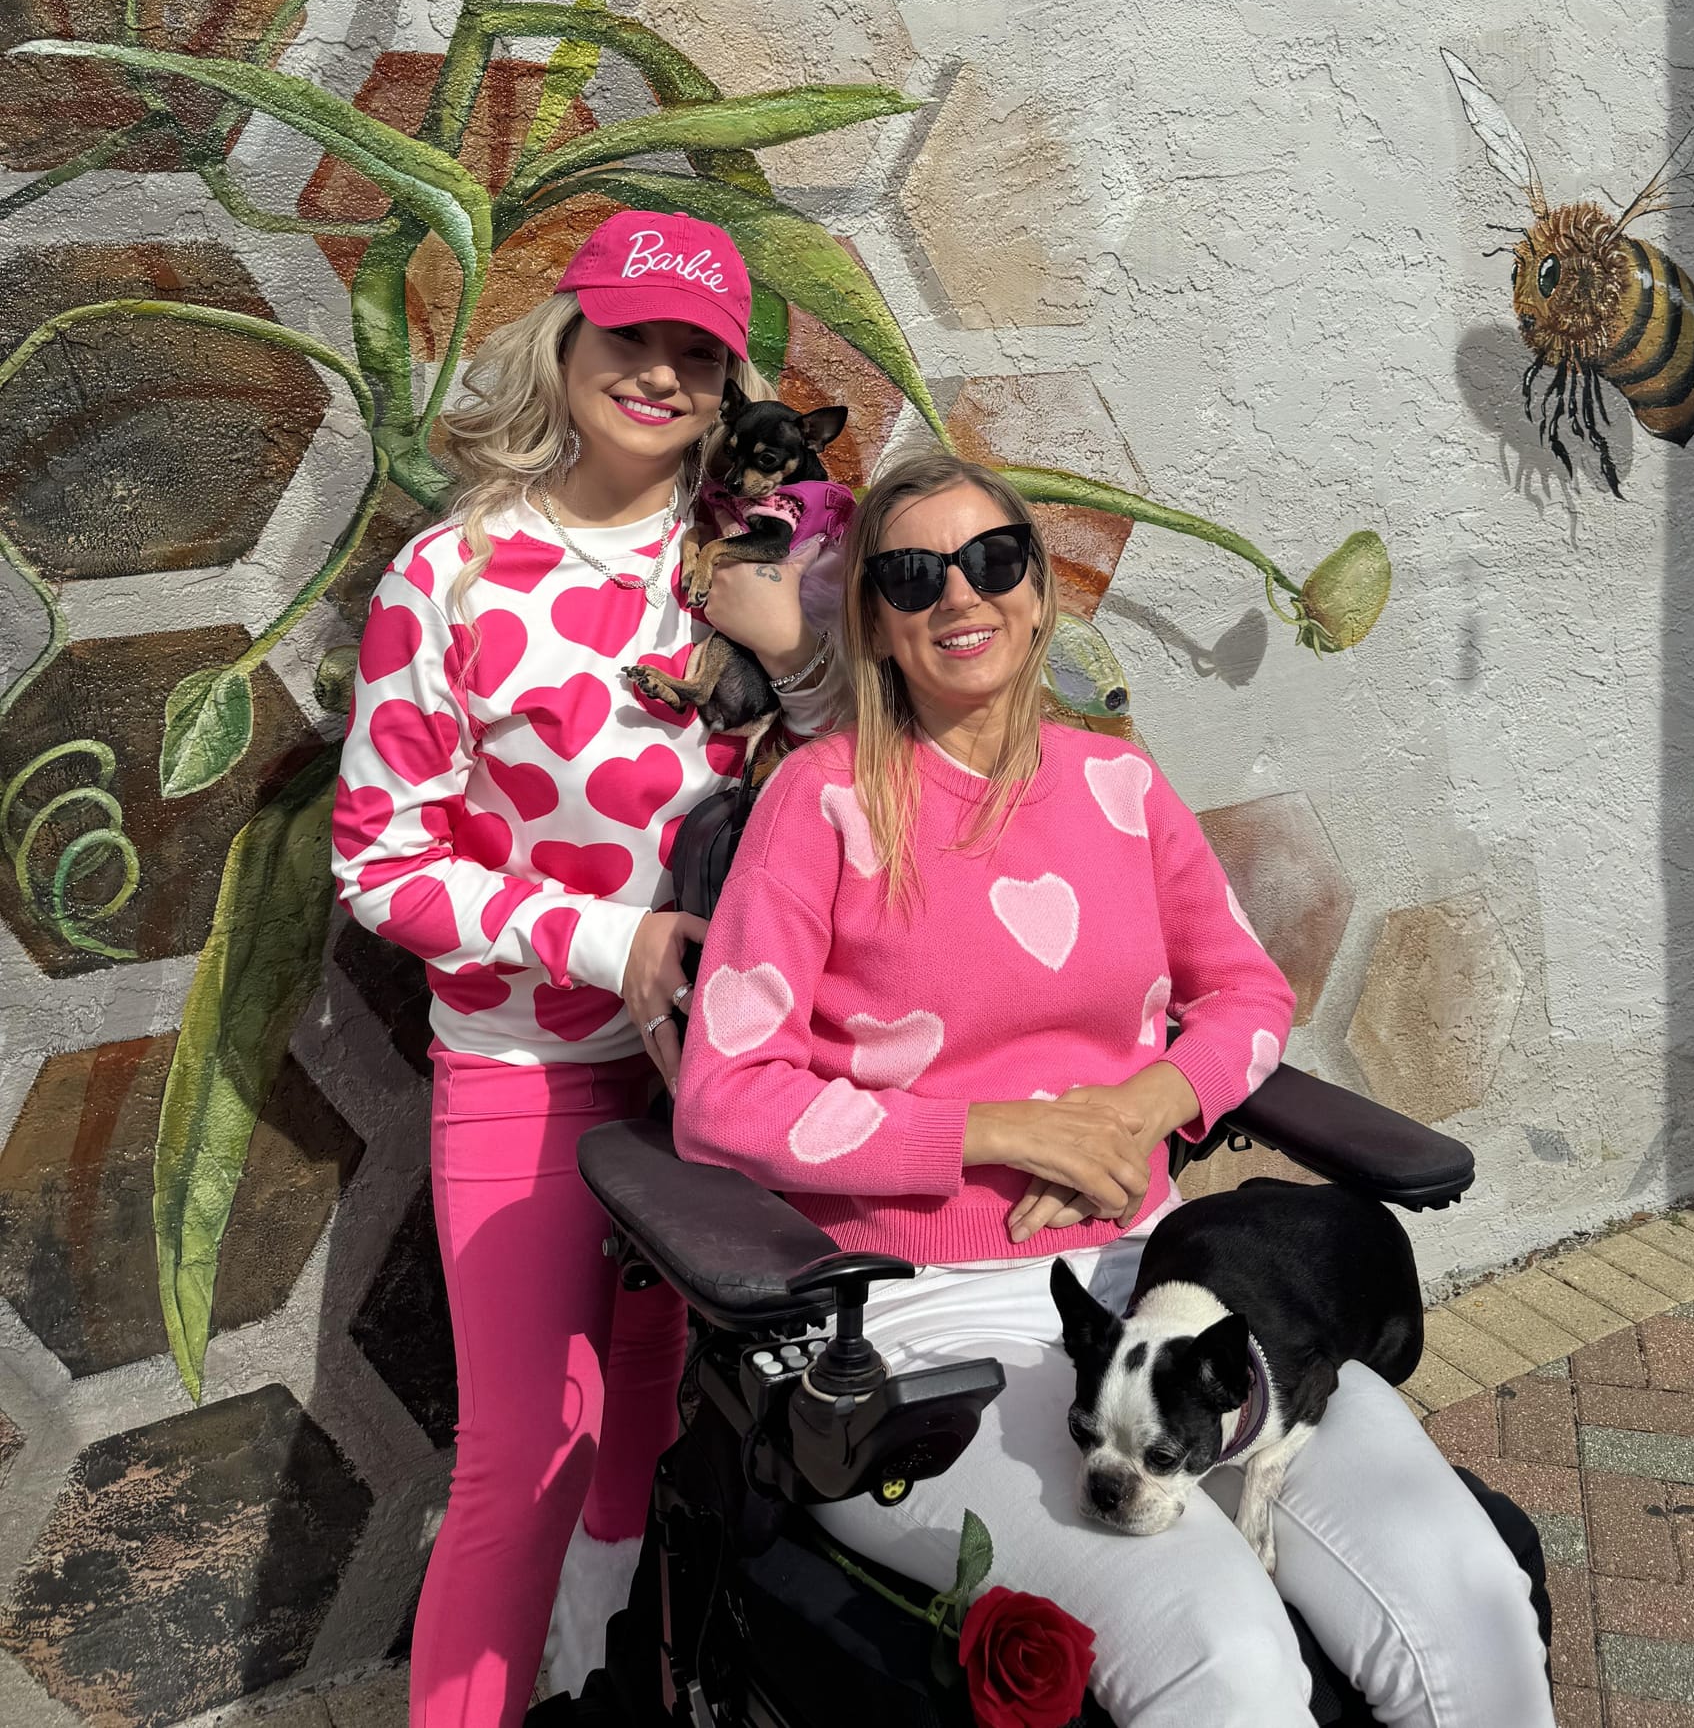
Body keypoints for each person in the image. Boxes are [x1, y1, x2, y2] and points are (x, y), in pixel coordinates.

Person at [673, 449, 1557, 1728]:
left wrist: (1144, 1107)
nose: (957, 596)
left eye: (992, 560)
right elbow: (724, 1094)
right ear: (872, 618)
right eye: (911, 575)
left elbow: (1246, 997)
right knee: (1226, 1653)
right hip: (924, 1322)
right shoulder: (819, 804)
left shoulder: (1118, 788)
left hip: (1161, 1294)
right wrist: (995, 1128)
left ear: (1035, 593)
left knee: (1466, 1594)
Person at [332, 210, 845, 1728]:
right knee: (521, 1453)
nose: (664, 374)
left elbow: (852, 778)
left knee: (648, 1390)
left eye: (699, 350)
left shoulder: (763, 551)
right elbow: (381, 856)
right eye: (634, 335)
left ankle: (601, 1669)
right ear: (566, 340)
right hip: (531, 1066)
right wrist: (611, 939)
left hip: (714, 1070)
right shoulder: (455, 574)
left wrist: (800, 654)